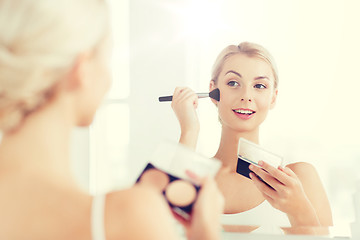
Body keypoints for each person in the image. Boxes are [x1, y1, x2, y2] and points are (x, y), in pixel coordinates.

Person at [0, 0, 224, 239]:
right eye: (106, 59)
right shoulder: (128, 216)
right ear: (81, 68)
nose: (108, 78)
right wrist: (206, 234)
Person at [170, 42, 333, 228]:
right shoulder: (190, 174)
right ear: (213, 92)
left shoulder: (298, 178)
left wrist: (299, 210)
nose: (246, 96)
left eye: (260, 85)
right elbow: (160, 227)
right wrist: (190, 130)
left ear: (273, 97)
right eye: (233, 83)